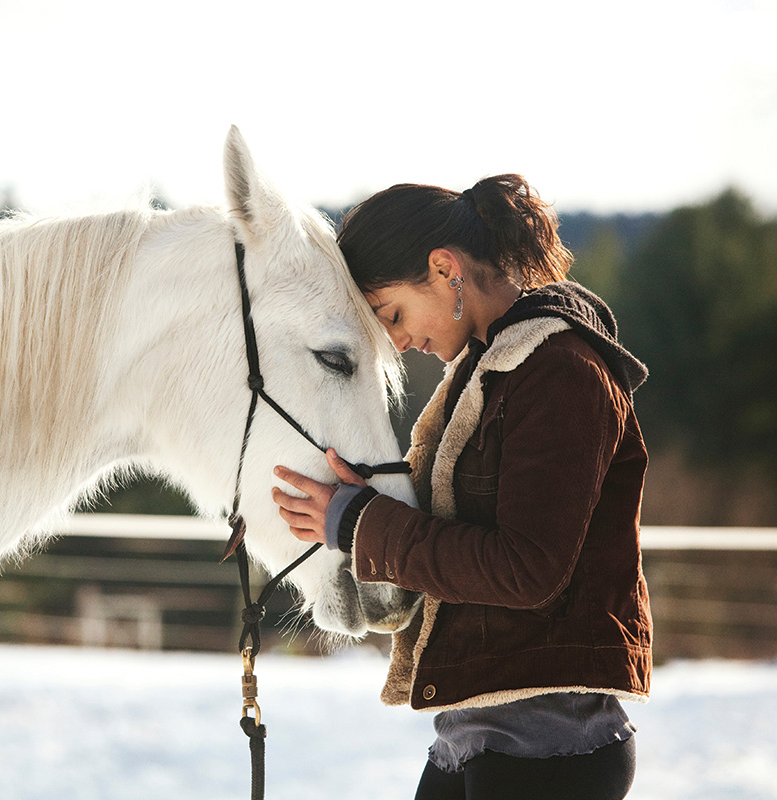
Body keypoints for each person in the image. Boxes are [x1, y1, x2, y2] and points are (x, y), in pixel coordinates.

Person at [270, 176, 651, 800]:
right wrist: (355, 496)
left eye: (393, 314)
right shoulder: (483, 372)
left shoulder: (559, 372)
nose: (397, 341)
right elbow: (451, 524)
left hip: (549, 745)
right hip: (475, 735)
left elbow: (528, 569)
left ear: (445, 268)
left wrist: (361, 523)